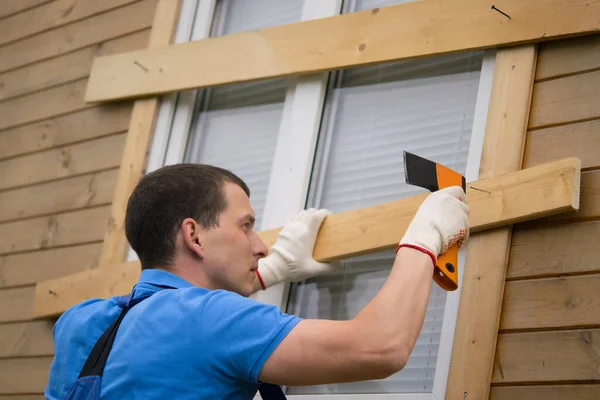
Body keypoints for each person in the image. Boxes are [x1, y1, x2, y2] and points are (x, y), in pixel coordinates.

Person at [45, 163, 470, 399]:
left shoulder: (79, 323)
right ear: (194, 235)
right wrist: (424, 239)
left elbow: (166, 327)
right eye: (246, 226)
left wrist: (265, 274)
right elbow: (381, 346)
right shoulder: (212, 321)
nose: (261, 245)